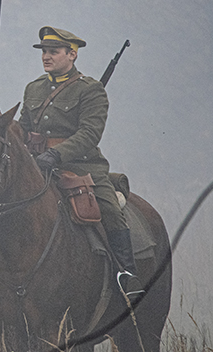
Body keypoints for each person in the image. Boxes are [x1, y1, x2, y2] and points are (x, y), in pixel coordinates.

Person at [18, 26, 143, 299]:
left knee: (109, 208)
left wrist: (57, 153)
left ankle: (126, 273)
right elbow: (23, 127)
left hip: (82, 166)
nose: (46, 57)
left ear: (72, 54)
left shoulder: (91, 90)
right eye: (44, 52)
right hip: (38, 164)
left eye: (54, 52)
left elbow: (89, 133)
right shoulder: (34, 88)